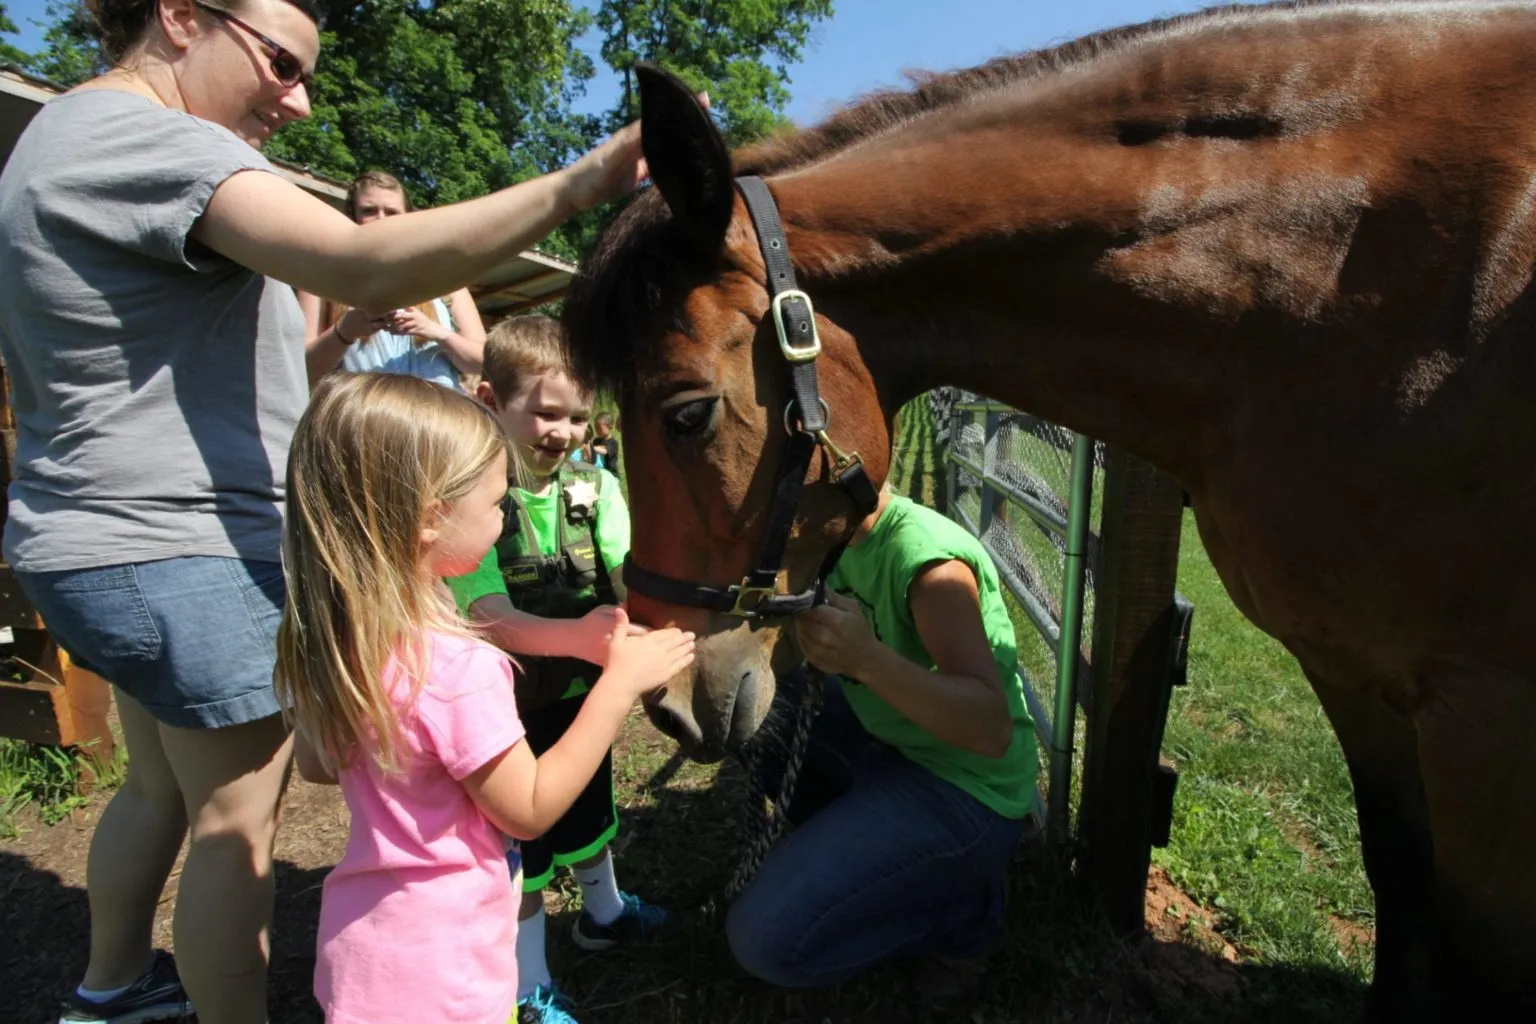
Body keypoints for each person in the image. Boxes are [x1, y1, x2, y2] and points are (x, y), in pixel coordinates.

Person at [0, 0, 647, 1020]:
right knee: (233, 824)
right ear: (180, 15)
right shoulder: (150, 140)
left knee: (158, 787)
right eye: (280, 62)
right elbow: (361, 257)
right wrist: (587, 179)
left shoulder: (62, 137)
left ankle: (110, 982)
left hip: (93, 539)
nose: (300, 102)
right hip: (184, 544)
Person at [275, 372, 694, 1024]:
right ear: (430, 518)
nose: (505, 518)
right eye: (498, 504)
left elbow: (316, 763)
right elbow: (527, 809)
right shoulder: (457, 665)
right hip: (448, 972)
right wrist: (616, 687)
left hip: (365, 944)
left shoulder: (352, 641)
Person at [725, 486, 1036, 1001]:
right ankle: (873, 862)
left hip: (966, 788)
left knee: (764, 941)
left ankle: (966, 911)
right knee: (757, 708)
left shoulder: (930, 568)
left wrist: (864, 658)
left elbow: (990, 729)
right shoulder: (828, 541)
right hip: (892, 741)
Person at [445, 316, 663, 1024]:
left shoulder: (595, 490)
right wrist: (580, 636)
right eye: (545, 412)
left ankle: (602, 913)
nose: (564, 431)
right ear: (488, 399)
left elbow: (626, 574)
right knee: (523, 846)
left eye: (578, 416)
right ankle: (527, 982)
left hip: (580, 696)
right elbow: (487, 614)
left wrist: (646, 619)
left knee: (590, 808)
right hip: (505, 713)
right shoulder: (470, 504)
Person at [297, 170, 488, 391]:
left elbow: (485, 362)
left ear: (408, 217)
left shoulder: (445, 282)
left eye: (392, 212)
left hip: (438, 420)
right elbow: (301, 373)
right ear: (352, 215)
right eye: (369, 211)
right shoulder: (320, 278)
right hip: (360, 420)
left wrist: (436, 332)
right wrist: (344, 332)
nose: (381, 219)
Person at [587, 412, 620, 476]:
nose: (597, 430)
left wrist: (590, 447)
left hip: (611, 474)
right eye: (596, 428)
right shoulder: (596, 441)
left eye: (599, 428)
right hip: (599, 472)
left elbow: (605, 451)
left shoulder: (613, 443)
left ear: (610, 426)